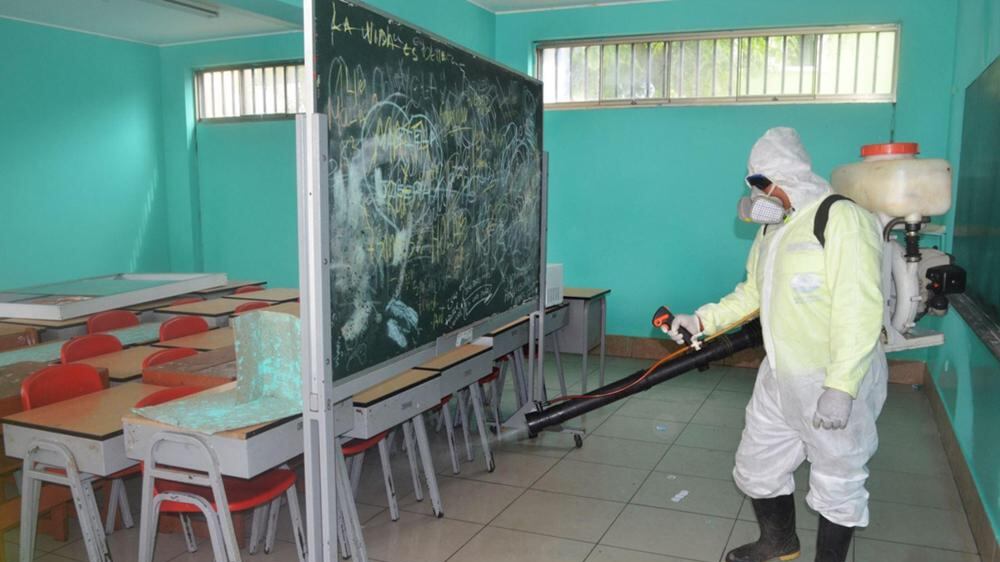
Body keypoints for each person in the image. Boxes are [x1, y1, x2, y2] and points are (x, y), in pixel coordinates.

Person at [664, 127, 887, 562]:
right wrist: (702, 320)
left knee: (837, 478)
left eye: (762, 185)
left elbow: (861, 307)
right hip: (781, 375)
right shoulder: (772, 229)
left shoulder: (840, 218)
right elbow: (752, 293)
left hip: (836, 377)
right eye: (753, 187)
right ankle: (779, 542)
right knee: (756, 464)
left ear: (789, 175)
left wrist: (841, 386)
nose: (757, 197)